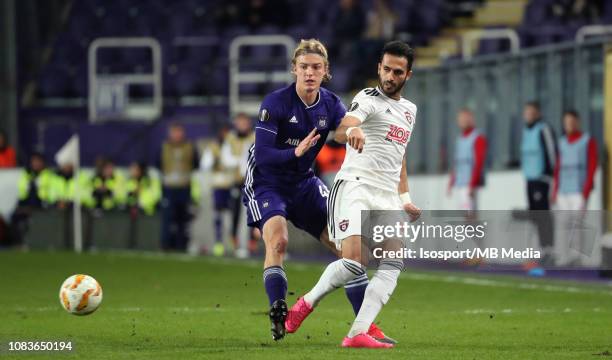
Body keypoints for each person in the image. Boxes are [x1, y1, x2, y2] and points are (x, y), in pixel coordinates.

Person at [242, 39, 390, 341]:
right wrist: (295, 154)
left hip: (304, 183)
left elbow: (340, 129)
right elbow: (265, 154)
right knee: (279, 241)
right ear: (294, 69)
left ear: (326, 72)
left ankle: (363, 327)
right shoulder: (276, 103)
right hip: (267, 181)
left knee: (352, 252)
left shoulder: (331, 104)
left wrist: (354, 130)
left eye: (316, 68)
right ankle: (278, 309)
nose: (310, 73)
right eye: (304, 67)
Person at [284, 41, 421, 348]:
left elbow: (400, 157)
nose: (389, 76)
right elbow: (344, 128)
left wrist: (405, 198)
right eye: (385, 69)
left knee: (393, 263)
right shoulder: (368, 98)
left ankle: (356, 333)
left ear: (407, 75)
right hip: (356, 186)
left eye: (397, 72)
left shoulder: (410, 111)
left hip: (387, 196)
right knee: (355, 262)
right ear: (379, 68)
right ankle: (305, 303)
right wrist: (353, 131)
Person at [552, 110, 598, 265]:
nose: (569, 125)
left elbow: (592, 166)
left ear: (577, 122)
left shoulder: (587, 141)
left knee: (578, 224)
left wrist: (586, 190)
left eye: (572, 122)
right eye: (566, 122)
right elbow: (558, 167)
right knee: (563, 224)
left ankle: (578, 257)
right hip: (563, 190)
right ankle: (563, 257)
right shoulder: (562, 142)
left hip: (579, 190)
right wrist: (555, 189)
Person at [520, 101, 557, 270]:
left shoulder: (543, 129)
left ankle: (549, 251)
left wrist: (549, 176)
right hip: (530, 179)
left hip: (542, 179)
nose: (528, 115)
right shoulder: (525, 132)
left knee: (543, 215)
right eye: (526, 112)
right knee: (535, 216)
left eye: (531, 112)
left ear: (537, 113)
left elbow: (551, 152)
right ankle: (540, 251)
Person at [159, 123, 200, 251]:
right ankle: (165, 245)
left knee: (183, 218)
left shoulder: (189, 146)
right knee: (167, 218)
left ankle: (181, 245)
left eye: (179, 132)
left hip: (184, 187)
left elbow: (196, 163)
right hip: (168, 187)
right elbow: (158, 164)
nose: (177, 135)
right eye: (174, 132)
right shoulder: (164, 147)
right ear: (170, 133)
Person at [219, 113, 255, 257]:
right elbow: (225, 158)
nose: (242, 125)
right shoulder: (230, 138)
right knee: (234, 212)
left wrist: (244, 163)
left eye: (244, 122)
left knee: (253, 211)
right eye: (239, 122)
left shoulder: (255, 136)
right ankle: (235, 242)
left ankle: (251, 242)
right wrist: (239, 161)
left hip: (253, 181)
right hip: (236, 180)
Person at [447, 109, 487, 211]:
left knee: (470, 216)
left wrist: (472, 184)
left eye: (464, 119)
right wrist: (451, 182)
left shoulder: (478, 138)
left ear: (471, 119)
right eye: (460, 119)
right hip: (460, 183)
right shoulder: (460, 138)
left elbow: (478, 163)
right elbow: (457, 163)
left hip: (470, 183)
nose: (462, 122)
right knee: (464, 215)